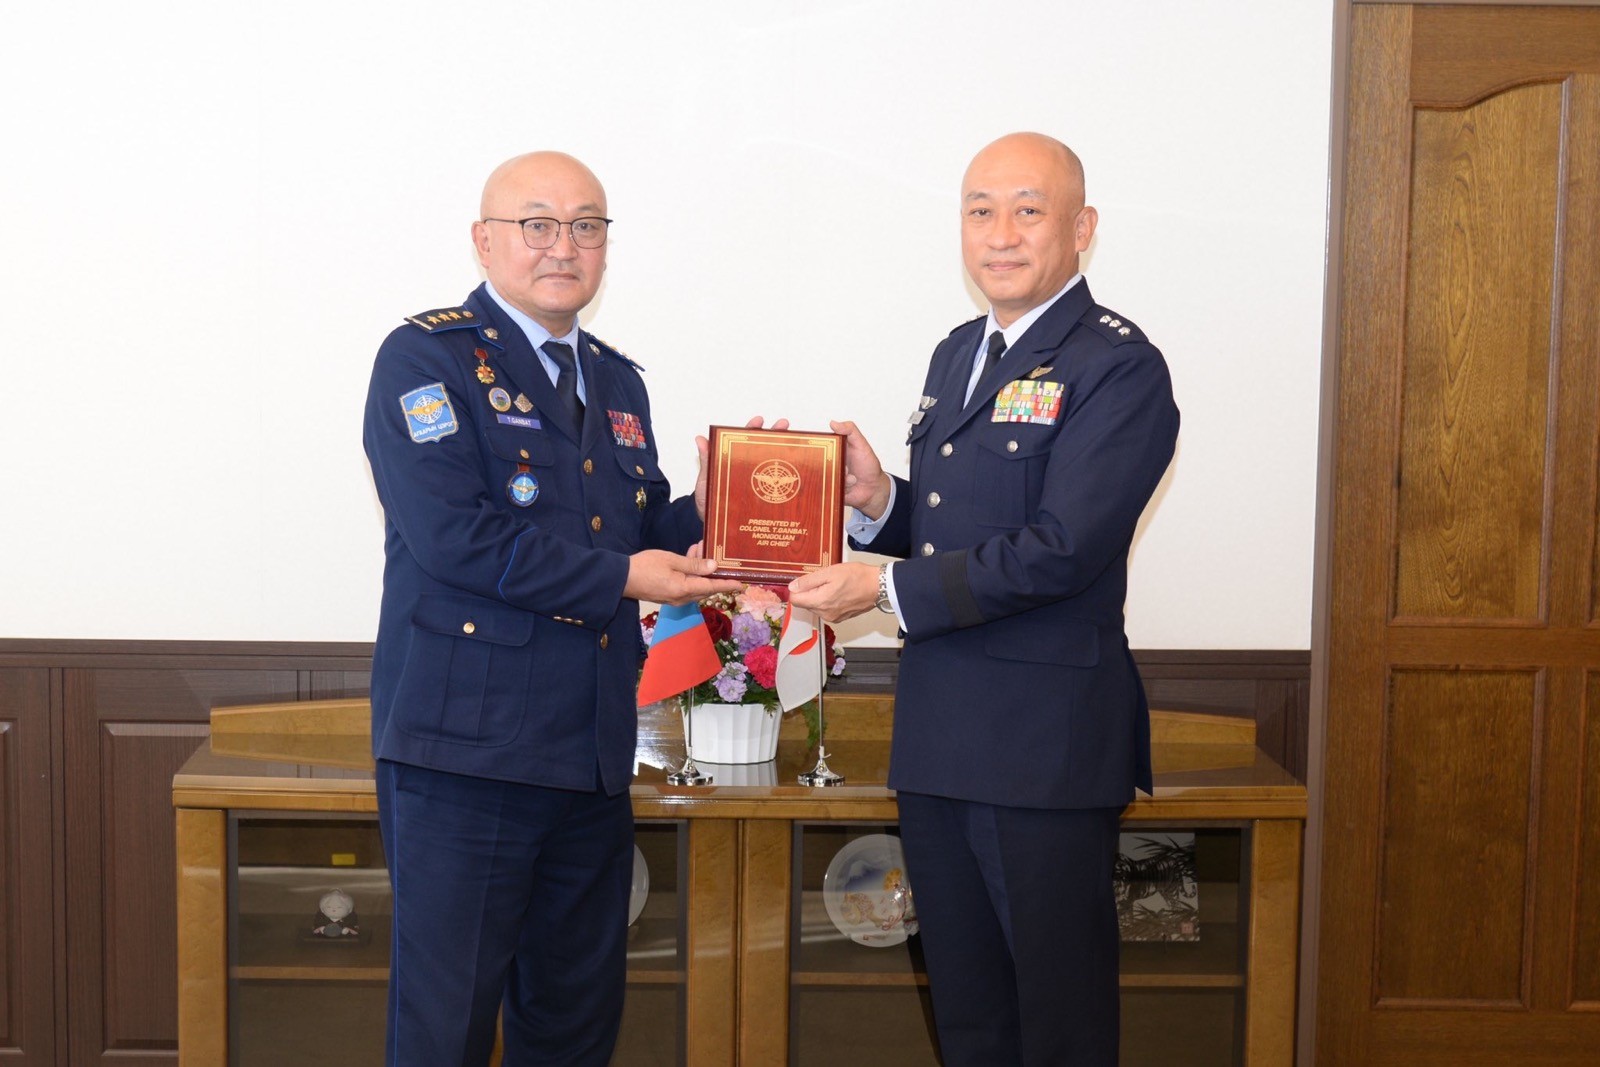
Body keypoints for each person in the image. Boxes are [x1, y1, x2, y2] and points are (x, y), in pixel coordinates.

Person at [789, 132, 1179, 1065]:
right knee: (969, 1017)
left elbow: (1060, 548)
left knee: (1057, 1023)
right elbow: (955, 529)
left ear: (1080, 228)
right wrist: (879, 502)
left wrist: (881, 586)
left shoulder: (1116, 366)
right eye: (979, 211)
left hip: (1044, 748)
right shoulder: (959, 351)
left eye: (1027, 210)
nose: (1000, 234)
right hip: (941, 739)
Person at [362, 151, 743, 1066]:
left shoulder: (617, 381)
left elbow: (637, 532)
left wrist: (729, 504)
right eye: (537, 224)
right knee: (446, 1030)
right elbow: (456, 538)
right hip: (467, 756)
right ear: (485, 240)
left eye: (586, 226)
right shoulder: (426, 358)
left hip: (590, 755)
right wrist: (624, 579)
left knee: (574, 1026)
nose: (562, 246)